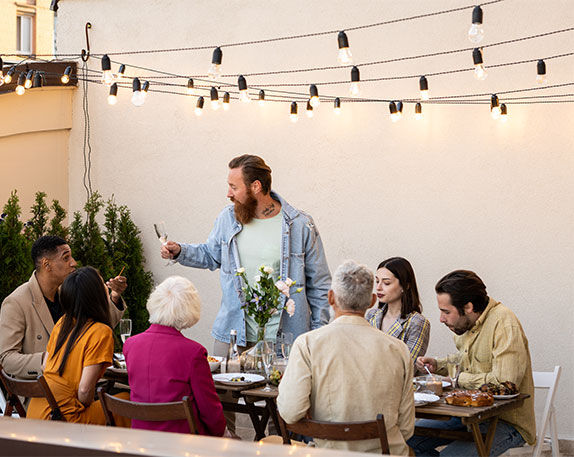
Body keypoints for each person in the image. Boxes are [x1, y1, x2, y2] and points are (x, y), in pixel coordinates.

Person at [160, 154, 331, 354]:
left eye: (234, 187)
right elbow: (212, 255)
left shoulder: (300, 225)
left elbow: (320, 286)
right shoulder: (228, 218)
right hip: (233, 336)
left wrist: (319, 336)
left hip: (286, 342)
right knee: (223, 386)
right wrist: (180, 251)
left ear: (256, 187)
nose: (228, 194)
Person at [277, 260, 415, 455]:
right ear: (372, 301)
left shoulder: (307, 344)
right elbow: (407, 429)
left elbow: (290, 412)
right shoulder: (398, 349)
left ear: (331, 297)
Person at [408, 270, 536, 456]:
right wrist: (438, 365)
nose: (441, 319)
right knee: (406, 442)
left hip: (505, 422)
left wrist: (458, 379)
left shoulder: (504, 323)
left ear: (468, 307)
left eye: (446, 312)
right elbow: (467, 359)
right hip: (466, 415)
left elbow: (505, 382)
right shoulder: (467, 324)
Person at [0, 235, 126, 379]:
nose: (74, 263)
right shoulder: (16, 302)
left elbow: (98, 327)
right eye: (66, 258)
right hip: (41, 390)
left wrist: (114, 296)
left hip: (80, 382)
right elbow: (7, 359)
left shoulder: (68, 293)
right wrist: (48, 360)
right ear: (47, 265)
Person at [123, 276, 226, 436]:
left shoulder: (130, 345)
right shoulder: (193, 352)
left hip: (140, 439)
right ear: (189, 309)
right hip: (184, 442)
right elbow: (209, 410)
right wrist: (223, 434)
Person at [28, 266, 117, 424]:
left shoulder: (62, 323)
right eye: (103, 283)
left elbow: (44, 366)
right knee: (125, 400)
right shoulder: (101, 332)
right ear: (95, 295)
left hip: (37, 412)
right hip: (63, 419)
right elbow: (84, 391)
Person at [365, 257, 430, 368]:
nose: (378, 287)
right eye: (377, 281)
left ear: (405, 286)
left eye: (386, 283)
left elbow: (409, 368)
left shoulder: (417, 322)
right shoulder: (371, 315)